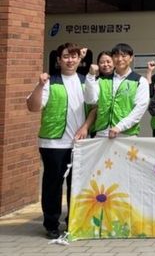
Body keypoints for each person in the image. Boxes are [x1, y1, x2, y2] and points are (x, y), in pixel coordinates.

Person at [26, 43, 95, 239]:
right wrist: (40, 85)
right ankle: (51, 224)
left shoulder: (86, 81)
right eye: (66, 56)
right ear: (58, 60)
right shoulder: (50, 82)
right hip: (53, 143)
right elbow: (33, 106)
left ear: (80, 60)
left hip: (79, 143)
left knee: (77, 184)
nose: (70, 60)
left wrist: (85, 127)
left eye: (74, 56)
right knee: (53, 185)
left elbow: (94, 108)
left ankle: (73, 221)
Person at [84, 43, 150, 138]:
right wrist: (90, 76)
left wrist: (119, 127)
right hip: (102, 134)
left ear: (131, 58)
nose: (119, 59)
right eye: (116, 56)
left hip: (126, 134)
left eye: (124, 56)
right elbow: (90, 100)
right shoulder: (102, 80)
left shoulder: (140, 81)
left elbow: (139, 109)